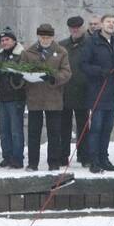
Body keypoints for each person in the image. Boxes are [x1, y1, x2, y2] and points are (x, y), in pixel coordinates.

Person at [22, 23, 72, 171]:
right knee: (33, 133)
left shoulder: (61, 52)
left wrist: (53, 77)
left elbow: (67, 72)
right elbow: (21, 70)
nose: (45, 40)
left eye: (48, 37)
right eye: (42, 37)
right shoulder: (28, 52)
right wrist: (23, 78)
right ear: (38, 37)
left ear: (52, 37)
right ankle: (32, 163)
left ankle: (54, 162)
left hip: (54, 98)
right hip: (35, 97)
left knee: (54, 133)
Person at [80, 14, 114, 173]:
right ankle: (94, 161)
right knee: (96, 128)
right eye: (108, 22)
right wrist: (100, 71)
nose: (111, 24)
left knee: (107, 128)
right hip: (97, 91)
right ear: (101, 24)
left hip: (113, 92)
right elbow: (84, 65)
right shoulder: (92, 42)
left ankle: (104, 158)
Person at [0, 27, 26, 169]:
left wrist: (15, 77)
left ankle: (17, 158)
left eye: (7, 39)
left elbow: (23, 77)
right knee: (4, 130)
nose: (4, 43)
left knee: (16, 130)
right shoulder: (0, 56)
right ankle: (7, 157)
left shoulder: (21, 54)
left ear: (14, 40)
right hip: (2, 97)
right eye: (2, 40)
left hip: (16, 98)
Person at [59, 16, 91, 166]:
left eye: (78, 27)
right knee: (64, 126)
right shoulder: (62, 45)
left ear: (82, 27)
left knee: (83, 125)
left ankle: (84, 155)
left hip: (83, 91)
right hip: (65, 91)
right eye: (72, 28)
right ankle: (63, 155)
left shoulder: (90, 43)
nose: (75, 30)